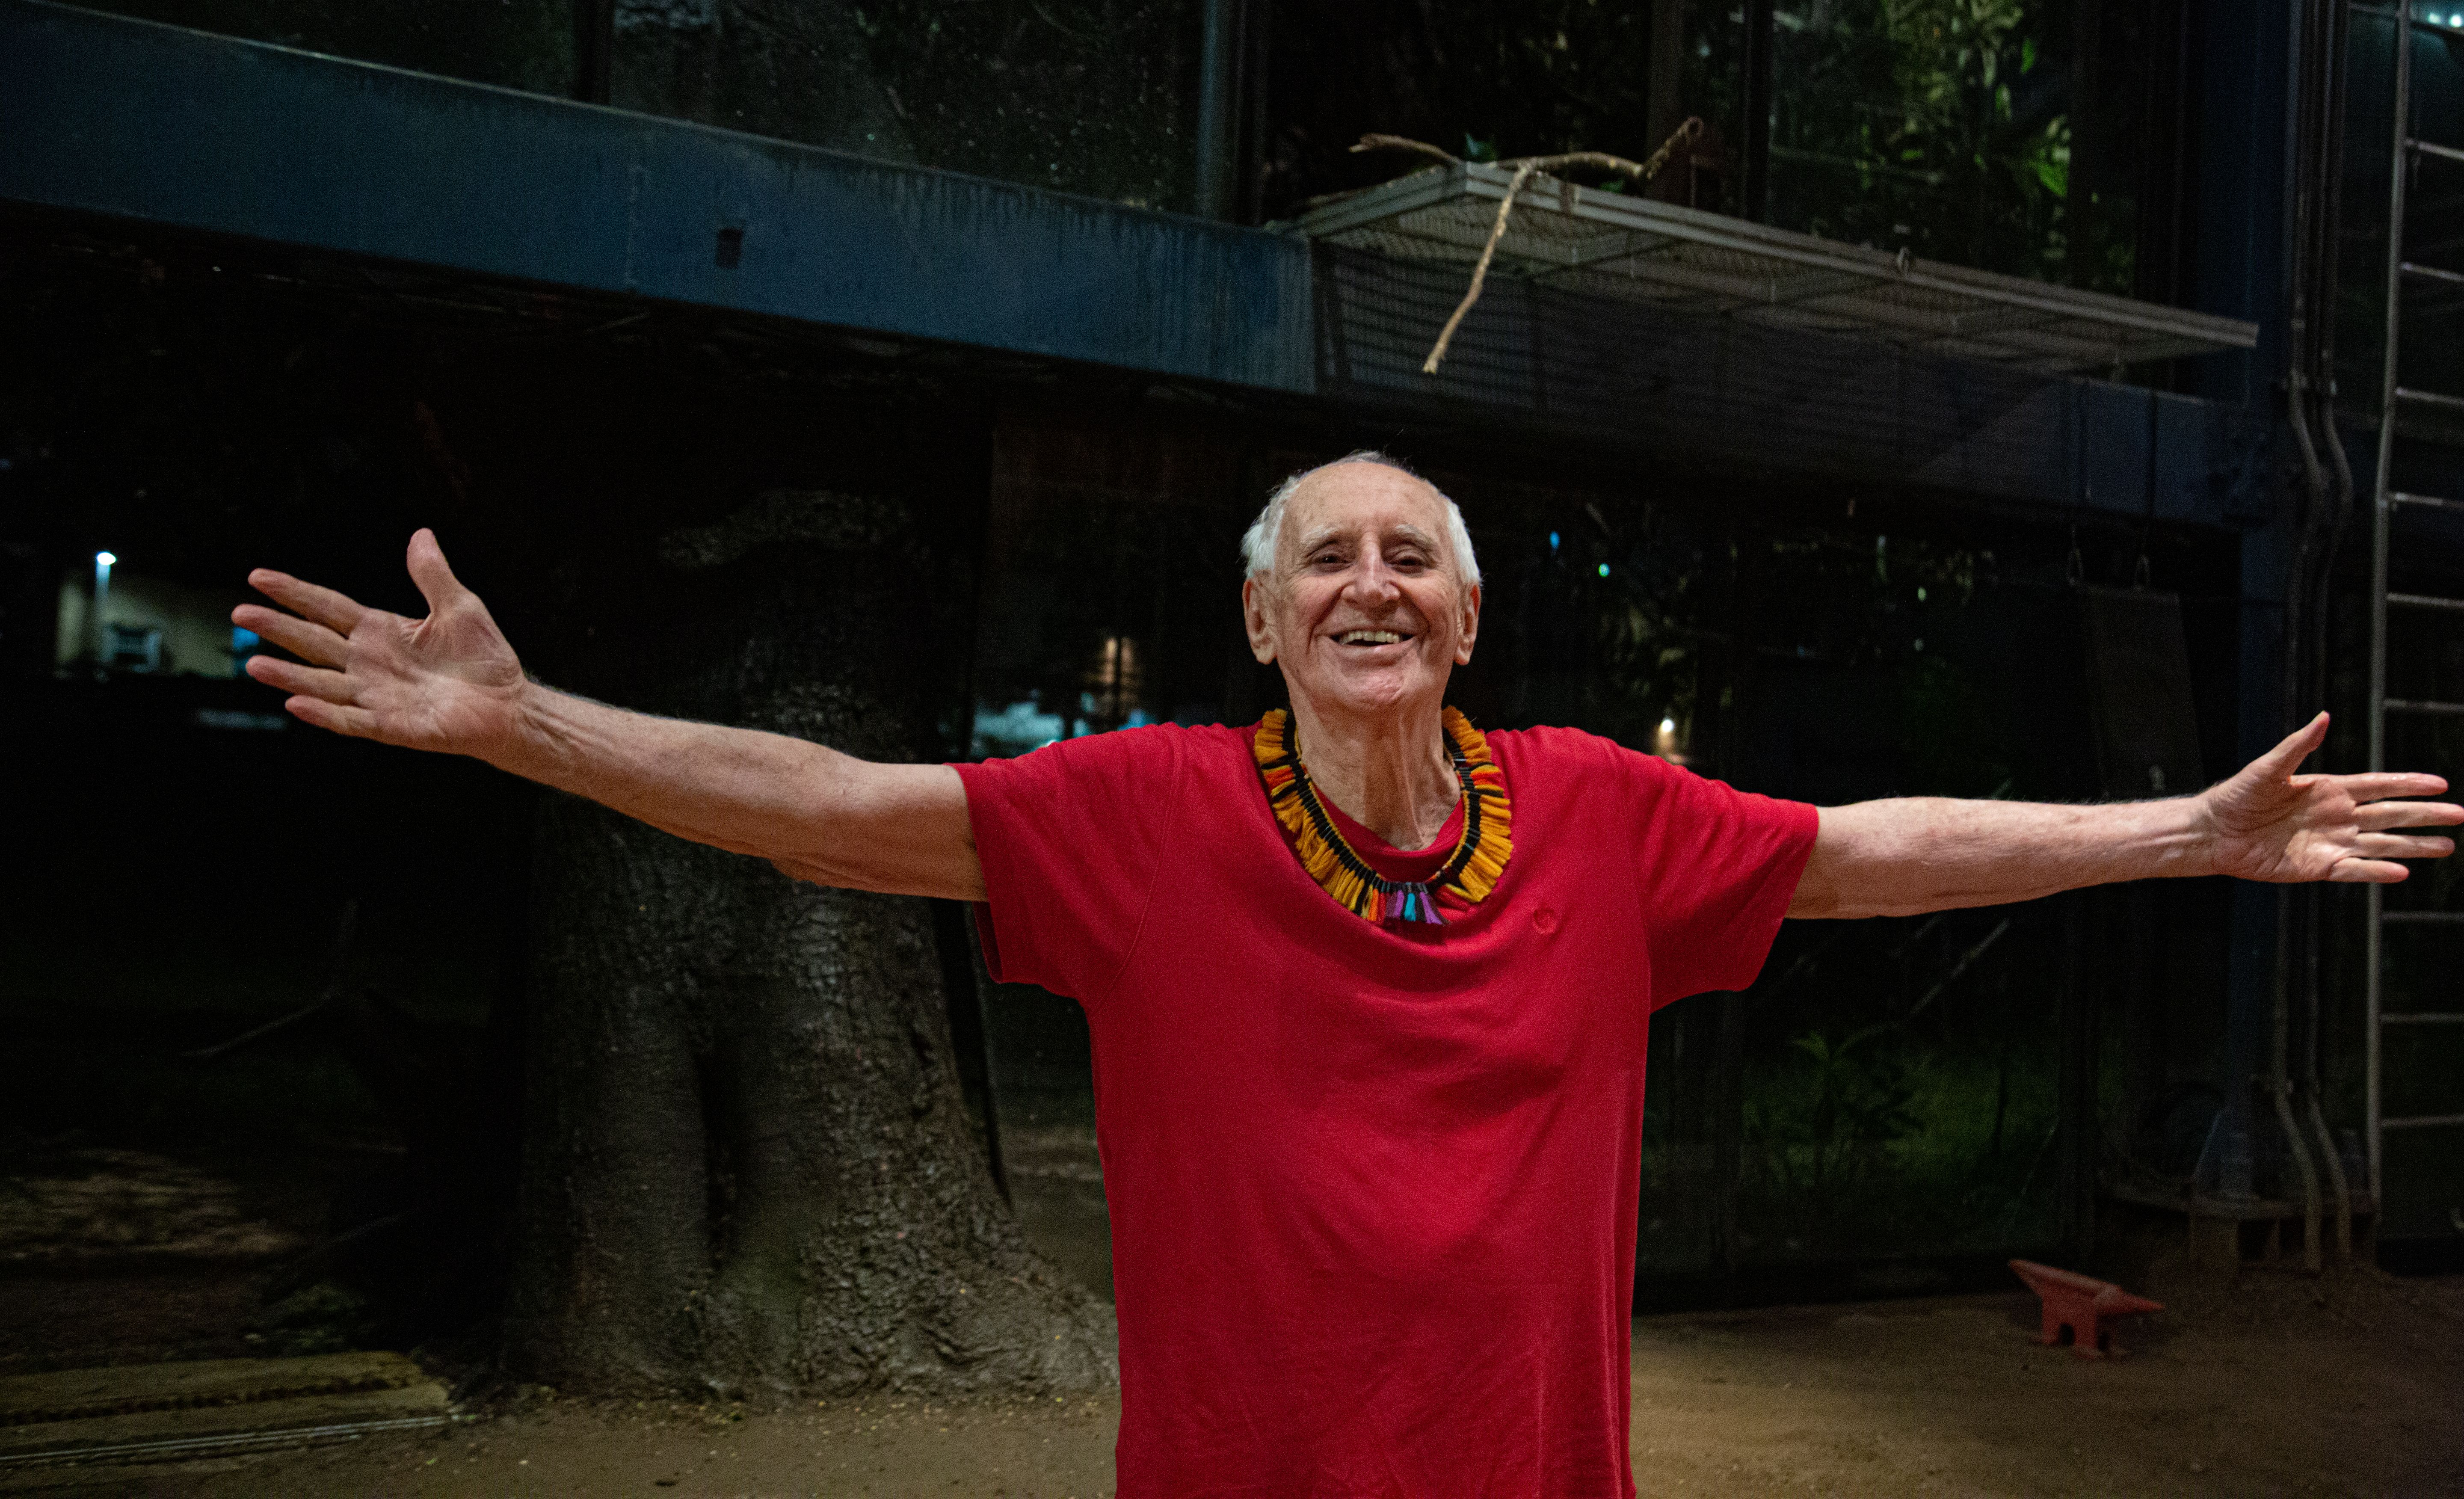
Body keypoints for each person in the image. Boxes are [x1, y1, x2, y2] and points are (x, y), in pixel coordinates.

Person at [235, 451, 2455, 1497]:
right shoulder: (1144, 818)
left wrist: (2186, 830)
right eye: (1329, 560)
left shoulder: (1602, 815)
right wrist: (524, 723)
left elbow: (1871, 857)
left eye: (1413, 555)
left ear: (1466, 623)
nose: (1372, 583)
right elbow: (816, 800)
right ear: (1267, 621)